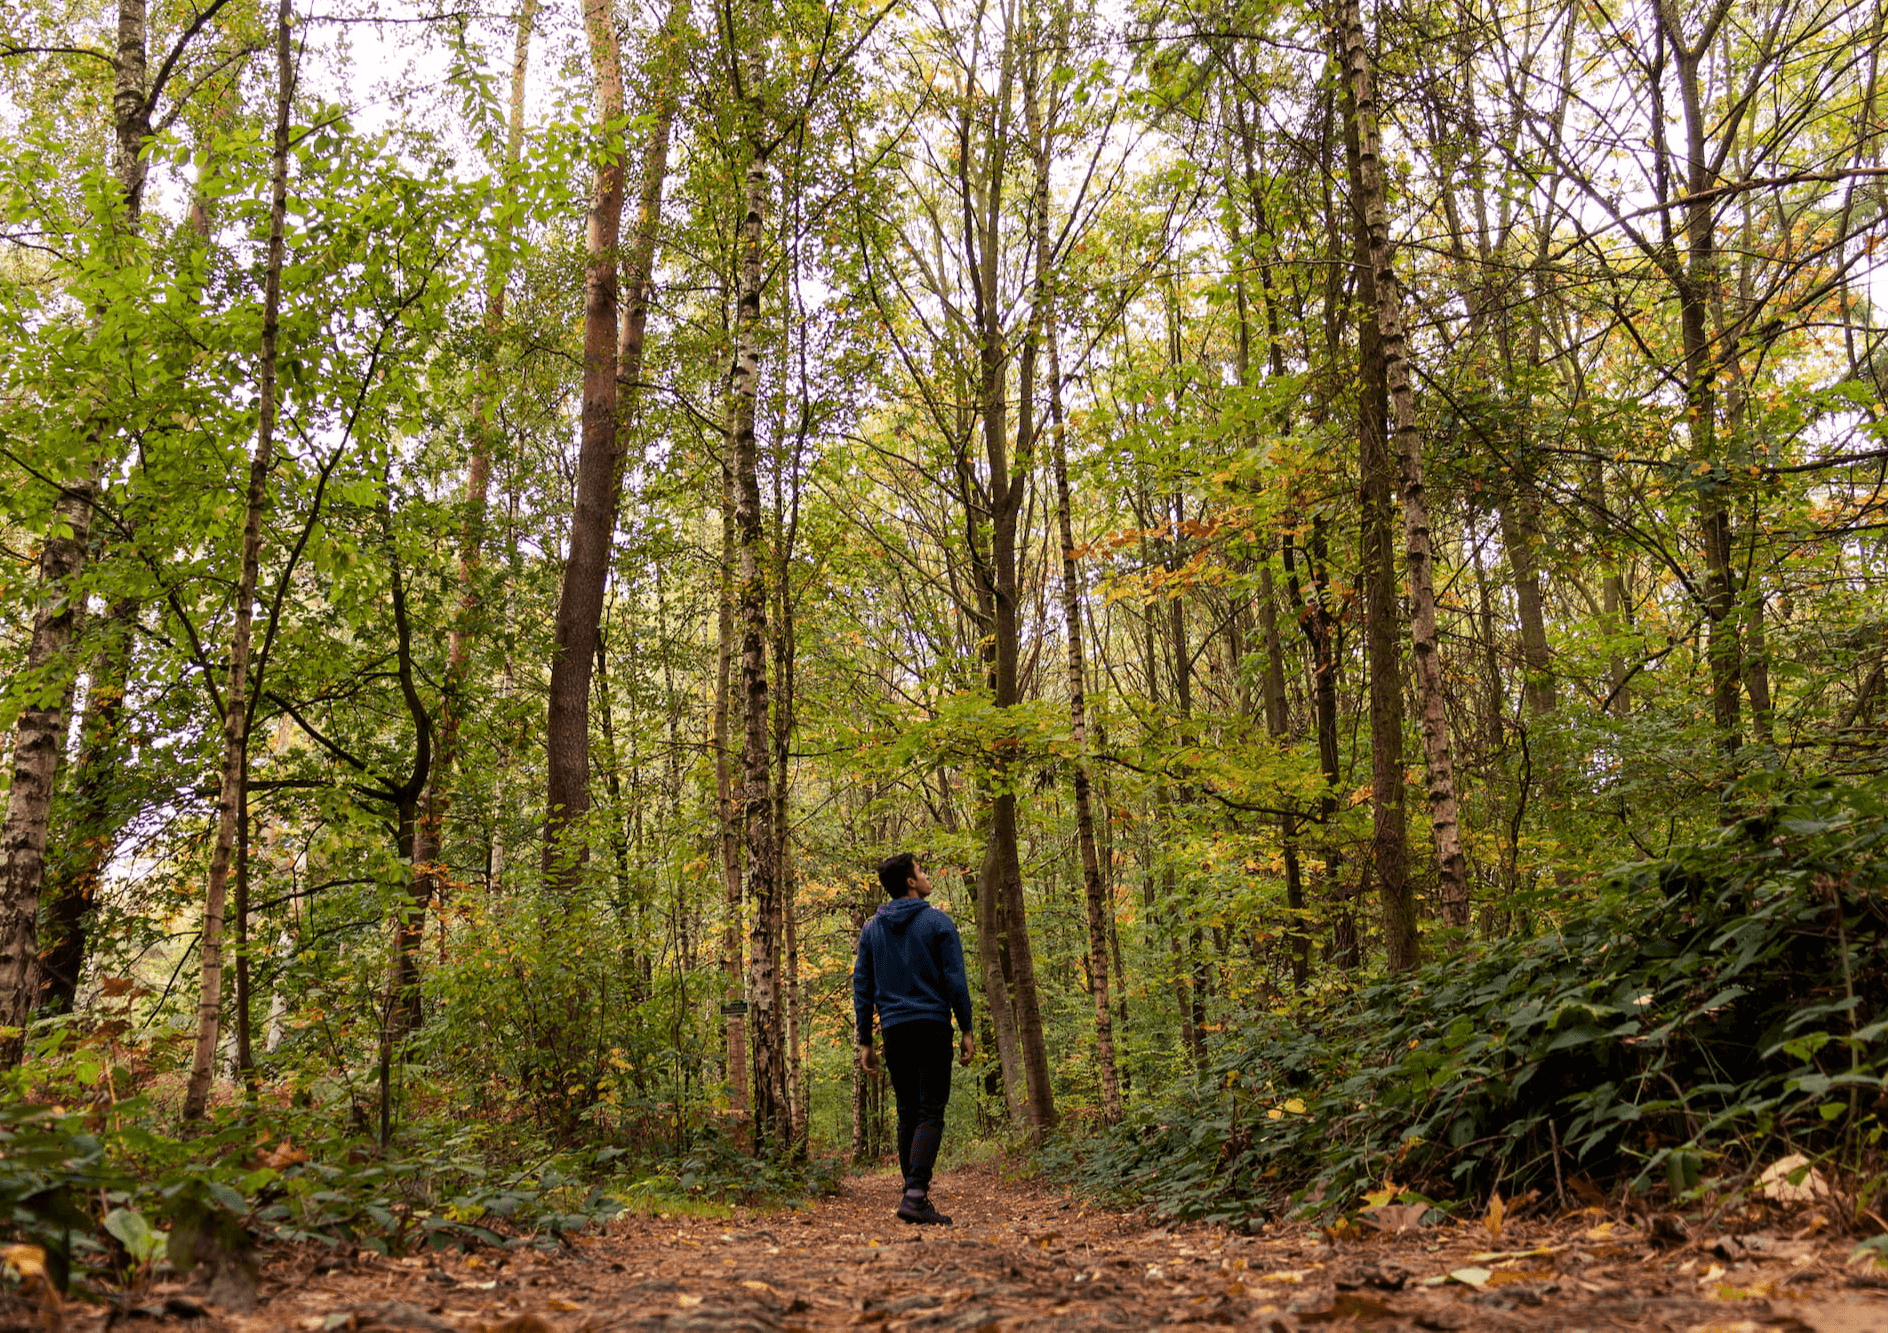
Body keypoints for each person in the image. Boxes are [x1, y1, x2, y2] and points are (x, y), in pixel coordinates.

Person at [853, 851, 976, 1225]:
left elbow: (862, 986)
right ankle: (916, 1194)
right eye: (921, 871)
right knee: (930, 1111)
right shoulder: (938, 922)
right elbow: (955, 980)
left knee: (908, 1112)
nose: (925, 876)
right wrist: (967, 1029)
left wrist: (865, 1040)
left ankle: (912, 1192)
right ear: (910, 882)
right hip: (932, 1026)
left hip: (894, 1030)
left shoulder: (871, 929)